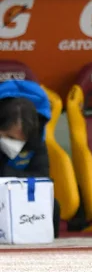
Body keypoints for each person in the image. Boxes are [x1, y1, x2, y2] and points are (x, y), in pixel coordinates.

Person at [0, 79, 60, 237]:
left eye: (22, 140)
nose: (16, 145)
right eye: (10, 138)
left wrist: (7, 175)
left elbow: (43, 179)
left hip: (19, 198)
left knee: (53, 205)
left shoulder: (36, 142)